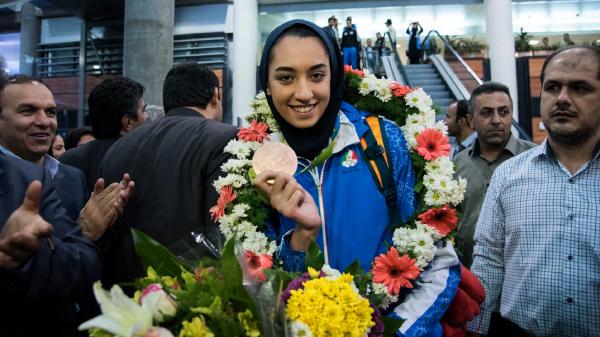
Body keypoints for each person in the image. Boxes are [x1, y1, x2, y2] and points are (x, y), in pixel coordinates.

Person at [254, 19, 463, 337]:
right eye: (285, 77)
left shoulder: (381, 139)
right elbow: (262, 282)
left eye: (317, 75)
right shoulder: (258, 162)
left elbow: (439, 261)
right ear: (267, 84)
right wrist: (302, 236)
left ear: (334, 75)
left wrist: (394, 332)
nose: (304, 92)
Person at [467, 45, 600, 337]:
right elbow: (489, 259)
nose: (562, 98)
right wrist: (475, 330)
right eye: (552, 87)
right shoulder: (509, 175)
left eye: (580, 88)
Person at [98, 63, 238, 287]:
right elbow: (225, 230)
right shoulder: (226, 139)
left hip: (126, 296)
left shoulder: (119, 147)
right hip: (193, 296)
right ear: (215, 95)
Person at [0, 153, 101, 337]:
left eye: (51, 120)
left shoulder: (29, 178)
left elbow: (86, 266)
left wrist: (35, 252)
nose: (42, 122)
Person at [453, 82, 535, 269]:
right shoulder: (457, 164)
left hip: (522, 275)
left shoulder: (536, 159)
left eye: (504, 112)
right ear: (470, 120)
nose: (497, 120)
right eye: (486, 112)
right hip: (469, 275)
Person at [60, 77, 147, 192]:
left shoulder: (67, 160)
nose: (147, 116)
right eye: (144, 110)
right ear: (128, 122)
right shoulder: (144, 160)